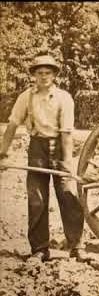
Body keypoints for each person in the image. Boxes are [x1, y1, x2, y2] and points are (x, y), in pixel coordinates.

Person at [0, 54, 86, 262]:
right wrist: (2, 152)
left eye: (48, 73)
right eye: (39, 73)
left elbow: (66, 134)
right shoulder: (26, 97)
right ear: (33, 76)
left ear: (55, 75)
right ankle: (39, 248)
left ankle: (76, 246)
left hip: (59, 146)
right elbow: (12, 125)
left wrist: (67, 164)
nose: (44, 77)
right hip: (36, 148)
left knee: (68, 195)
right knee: (37, 199)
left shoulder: (64, 98)